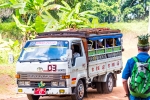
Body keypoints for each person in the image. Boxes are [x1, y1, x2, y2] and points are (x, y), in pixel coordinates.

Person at [122, 34, 150, 100]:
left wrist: (128, 94)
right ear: (149, 48)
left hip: (133, 96)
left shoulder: (131, 61)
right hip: (147, 95)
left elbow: (124, 81)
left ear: (138, 48)